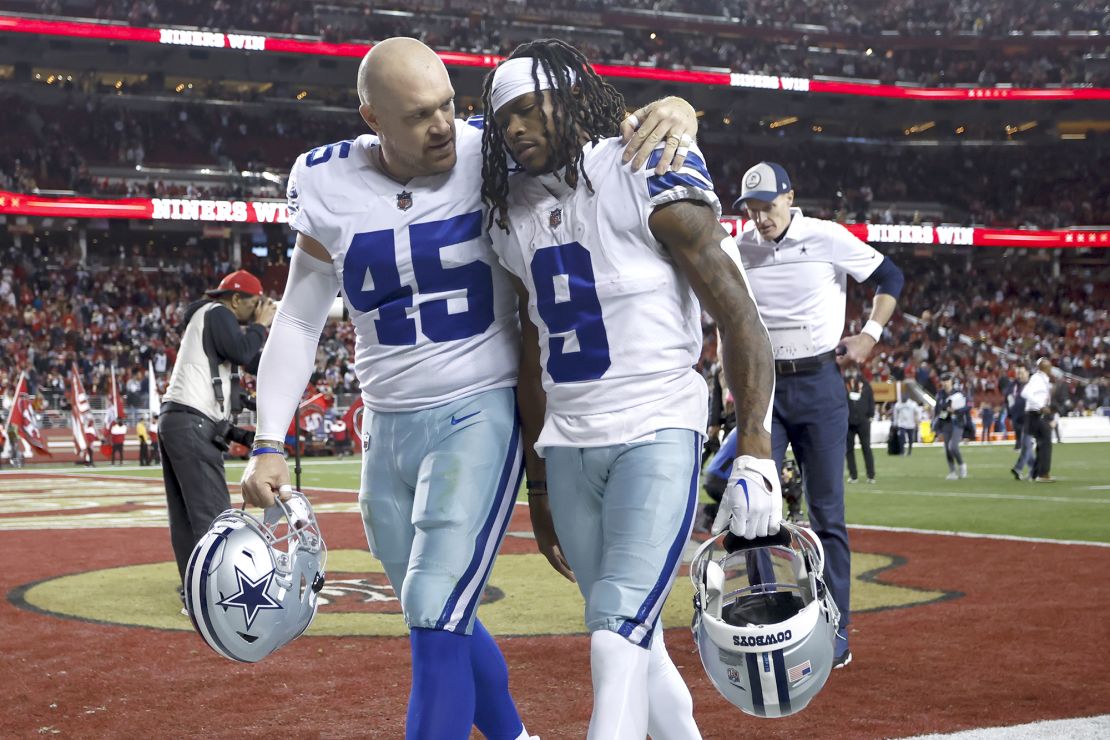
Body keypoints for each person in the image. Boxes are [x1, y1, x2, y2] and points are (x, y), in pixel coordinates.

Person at [239, 37, 698, 740]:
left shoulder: (495, 150)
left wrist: (677, 108)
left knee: (432, 603)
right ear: (371, 118)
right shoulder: (325, 181)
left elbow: (600, 136)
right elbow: (300, 318)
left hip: (476, 412)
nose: (444, 126)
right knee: (439, 614)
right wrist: (269, 440)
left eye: (450, 106)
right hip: (385, 428)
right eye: (420, 115)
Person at [482, 39, 778, 739]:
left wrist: (756, 446)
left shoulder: (646, 164)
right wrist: (541, 486)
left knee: (614, 639)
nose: (517, 129)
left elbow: (737, 309)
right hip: (570, 446)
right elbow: (531, 354)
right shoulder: (508, 205)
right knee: (639, 645)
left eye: (530, 110)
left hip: (657, 426)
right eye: (504, 121)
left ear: (570, 102)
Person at [733, 160, 905, 669]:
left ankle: (836, 629)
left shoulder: (826, 237)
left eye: (767, 206)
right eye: (752, 208)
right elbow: (729, 315)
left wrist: (870, 335)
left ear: (790, 197)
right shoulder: (740, 248)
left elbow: (890, 275)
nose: (760, 217)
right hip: (764, 387)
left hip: (819, 382)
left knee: (828, 515)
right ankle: (765, 613)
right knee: (753, 511)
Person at [159, 268, 275, 610]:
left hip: (178, 420)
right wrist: (261, 325)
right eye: (253, 303)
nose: (256, 310)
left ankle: (194, 594)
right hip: (192, 422)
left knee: (185, 517)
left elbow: (252, 362)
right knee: (213, 515)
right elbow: (243, 351)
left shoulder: (205, 321)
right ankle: (218, 596)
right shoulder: (218, 312)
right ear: (236, 299)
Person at [1020, 357, 1055, 482]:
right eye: (1048, 366)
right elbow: (1025, 393)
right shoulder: (1037, 379)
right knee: (1046, 443)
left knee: (1042, 443)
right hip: (1036, 414)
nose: (1050, 368)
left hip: (1037, 414)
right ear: (1043, 367)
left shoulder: (1043, 379)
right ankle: (1043, 474)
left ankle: (1035, 473)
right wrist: (1041, 406)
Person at [933, 373, 969, 480]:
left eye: (947, 380)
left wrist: (955, 411)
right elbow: (937, 410)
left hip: (957, 422)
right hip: (945, 422)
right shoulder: (940, 394)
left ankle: (962, 465)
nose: (945, 383)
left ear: (951, 381)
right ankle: (952, 471)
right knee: (947, 448)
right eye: (943, 381)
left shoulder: (959, 393)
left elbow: (967, 407)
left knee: (952, 446)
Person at [844, 370, 875, 483]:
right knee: (849, 450)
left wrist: (870, 415)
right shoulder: (843, 384)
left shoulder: (865, 385)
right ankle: (853, 475)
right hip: (848, 421)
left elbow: (871, 400)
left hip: (863, 421)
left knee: (866, 448)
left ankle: (871, 475)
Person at [1007, 367, 1028, 451]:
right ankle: (1018, 445)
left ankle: (1027, 444)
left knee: (1025, 428)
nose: (1020, 375)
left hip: (1025, 409)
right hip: (1015, 410)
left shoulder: (1028, 384)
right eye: (1018, 373)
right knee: (1017, 428)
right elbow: (1009, 394)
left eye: (1021, 373)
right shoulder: (1014, 384)